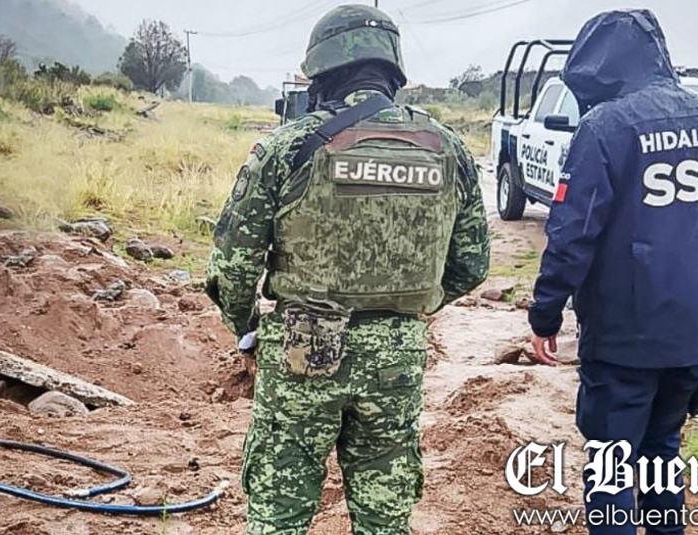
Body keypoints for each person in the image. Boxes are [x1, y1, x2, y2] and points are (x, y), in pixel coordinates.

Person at [205, 5, 490, 534]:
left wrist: (248, 330)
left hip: (301, 349)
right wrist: (404, 310)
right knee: (385, 516)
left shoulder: (287, 147)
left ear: (322, 72)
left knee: (279, 512)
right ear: (393, 71)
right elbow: (471, 265)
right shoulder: (449, 149)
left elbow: (233, 268)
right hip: (397, 359)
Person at [527, 10, 698, 535]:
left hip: (625, 339)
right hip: (697, 338)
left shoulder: (605, 128)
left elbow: (571, 234)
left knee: (610, 470)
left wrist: (545, 315)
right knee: (660, 453)